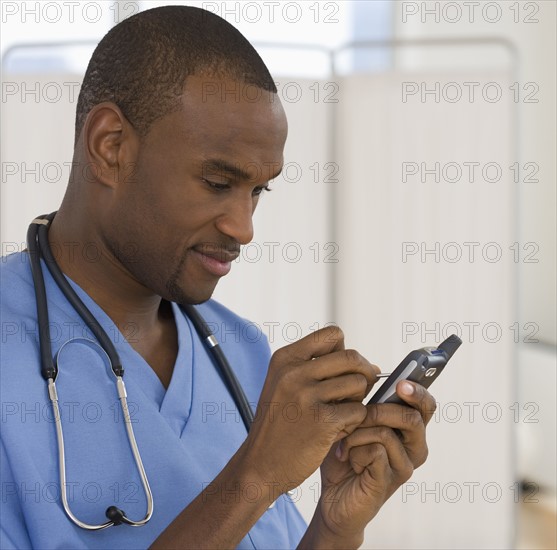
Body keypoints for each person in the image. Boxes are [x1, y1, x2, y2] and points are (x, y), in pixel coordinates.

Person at [0, 5, 436, 549]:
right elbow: (251, 484)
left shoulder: (240, 351)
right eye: (216, 181)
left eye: (257, 191)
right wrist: (253, 477)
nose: (243, 226)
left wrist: (333, 525)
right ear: (110, 146)